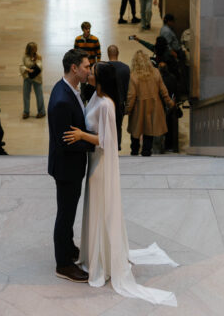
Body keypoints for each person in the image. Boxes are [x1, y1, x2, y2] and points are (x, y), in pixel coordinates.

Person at [62, 61, 177, 305]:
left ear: (100, 79)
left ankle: (102, 260)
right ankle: (94, 252)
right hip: (92, 162)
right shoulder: (94, 96)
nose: (88, 73)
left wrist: (82, 135)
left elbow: (105, 140)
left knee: (100, 209)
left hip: (101, 165)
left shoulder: (107, 104)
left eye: (92, 71)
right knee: (93, 208)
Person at [47, 48, 92, 282]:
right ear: (74, 68)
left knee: (69, 211)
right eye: (86, 66)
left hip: (70, 166)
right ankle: (63, 264)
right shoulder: (62, 100)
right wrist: (93, 142)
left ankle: (68, 247)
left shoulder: (69, 88)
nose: (89, 70)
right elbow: (65, 142)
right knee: (65, 214)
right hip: (66, 168)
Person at [125, 49, 173, 156]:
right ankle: (146, 151)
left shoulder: (133, 76)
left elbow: (131, 96)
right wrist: (169, 102)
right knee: (149, 130)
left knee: (135, 130)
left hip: (138, 107)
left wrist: (127, 109)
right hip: (154, 106)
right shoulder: (156, 72)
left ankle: (134, 150)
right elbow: (163, 90)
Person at [106, 44, 130, 150]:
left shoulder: (101, 67)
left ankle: (107, 146)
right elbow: (128, 88)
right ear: (118, 53)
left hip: (105, 103)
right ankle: (117, 146)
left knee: (106, 126)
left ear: (108, 54)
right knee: (117, 126)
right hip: (120, 103)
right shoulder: (126, 68)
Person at [20, 41, 45, 119]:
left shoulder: (38, 57)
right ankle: (26, 112)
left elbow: (40, 66)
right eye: (34, 49)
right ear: (30, 49)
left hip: (37, 78)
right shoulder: (25, 57)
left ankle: (41, 111)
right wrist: (27, 69)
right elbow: (21, 66)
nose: (35, 50)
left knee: (39, 95)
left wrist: (35, 63)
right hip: (27, 77)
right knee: (26, 95)